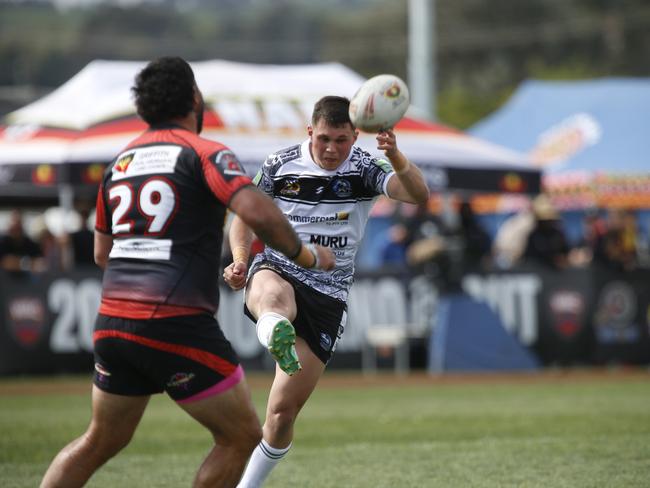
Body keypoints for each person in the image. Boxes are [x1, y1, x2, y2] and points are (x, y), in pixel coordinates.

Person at [40, 56, 334, 488]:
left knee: (100, 439)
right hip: (174, 321)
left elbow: (104, 254)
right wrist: (305, 256)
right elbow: (253, 209)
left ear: (143, 108)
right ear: (195, 100)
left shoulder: (119, 163)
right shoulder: (204, 152)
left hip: (113, 324)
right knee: (243, 437)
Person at [223, 95, 429, 487]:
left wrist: (397, 155)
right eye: (323, 139)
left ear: (355, 136)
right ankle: (272, 327)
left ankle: (248, 484)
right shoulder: (280, 164)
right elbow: (244, 216)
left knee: (281, 415)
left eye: (341, 140)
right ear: (309, 133)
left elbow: (417, 194)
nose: (332, 149)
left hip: (329, 294)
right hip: (279, 267)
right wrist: (238, 258)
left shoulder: (367, 168)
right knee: (272, 297)